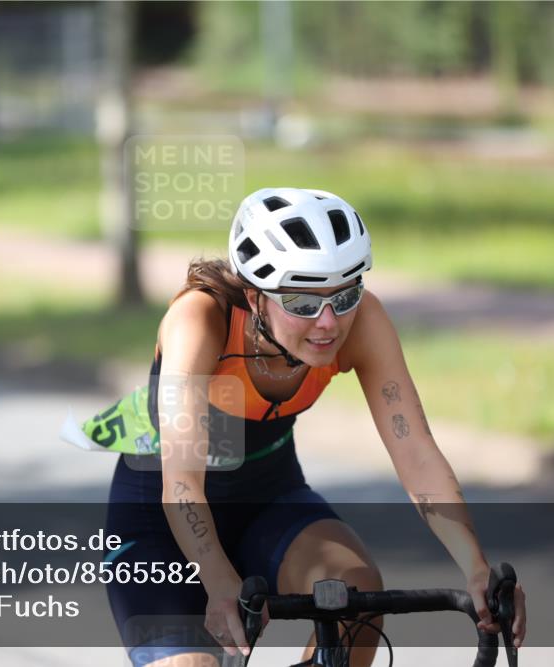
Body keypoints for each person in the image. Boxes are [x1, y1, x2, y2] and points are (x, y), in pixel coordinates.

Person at [102, 187, 526, 667]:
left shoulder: (362, 322)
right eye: (302, 303)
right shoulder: (200, 320)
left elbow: (417, 454)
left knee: (355, 592)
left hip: (270, 499)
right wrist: (218, 581)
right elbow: (180, 481)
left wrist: (475, 567)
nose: (328, 323)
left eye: (344, 296)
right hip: (162, 520)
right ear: (254, 295)